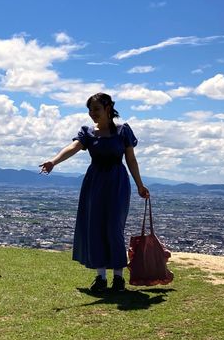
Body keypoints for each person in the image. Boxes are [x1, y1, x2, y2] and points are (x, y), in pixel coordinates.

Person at [39, 92, 150, 293]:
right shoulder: (88, 132)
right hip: (94, 182)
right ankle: (101, 277)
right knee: (95, 227)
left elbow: (131, 160)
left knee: (114, 227)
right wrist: (53, 161)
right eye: (90, 110)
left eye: (96, 109)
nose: (92, 114)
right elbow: (74, 147)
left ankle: (118, 278)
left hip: (117, 182)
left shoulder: (123, 131)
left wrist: (140, 185)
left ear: (108, 109)